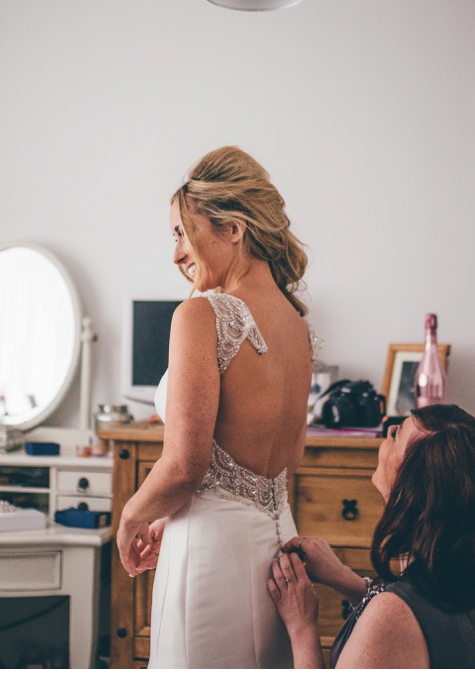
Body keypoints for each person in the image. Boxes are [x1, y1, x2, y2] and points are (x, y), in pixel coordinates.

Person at [115, 146, 319, 668]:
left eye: (183, 233)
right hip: (277, 550)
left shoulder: (200, 315)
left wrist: (134, 515)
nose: (177, 254)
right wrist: (179, 512)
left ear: (233, 228)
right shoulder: (298, 327)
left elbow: (187, 465)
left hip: (209, 560)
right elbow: (287, 453)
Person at [267, 404, 475, 668]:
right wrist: (346, 580)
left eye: (396, 436)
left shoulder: (392, 617)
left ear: (414, 491)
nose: (388, 433)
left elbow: (404, 623)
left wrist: (302, 627)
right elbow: (429, 626)